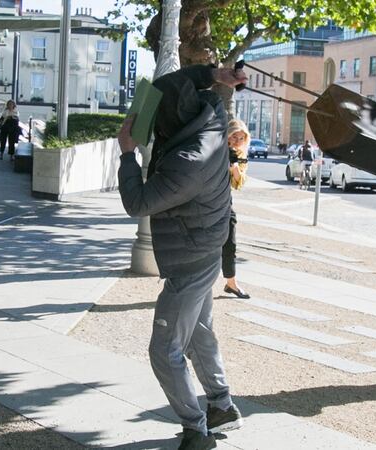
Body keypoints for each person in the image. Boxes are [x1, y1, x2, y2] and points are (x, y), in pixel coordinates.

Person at [116, 64, 248, 450]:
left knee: (165, 349)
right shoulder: (210, 118)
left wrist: (127, 155)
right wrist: (214, 74)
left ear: (169, 123)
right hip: (205, 243)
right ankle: (221, 407)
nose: (153, 128)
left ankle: (196, 430)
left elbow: (138, 202)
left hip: (192, 255)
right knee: (199, 332)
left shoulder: (189, 161)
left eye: (157, 122)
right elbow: (174, 84)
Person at [222, 119, 251, 299]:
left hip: (225, 201)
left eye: (241, 138)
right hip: (207, 199)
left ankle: (231, 283)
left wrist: (233, 165)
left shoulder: (240, 156)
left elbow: (238, 183)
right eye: (234, 136)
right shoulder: (216, 148)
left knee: (230, 242)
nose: (237, 141)